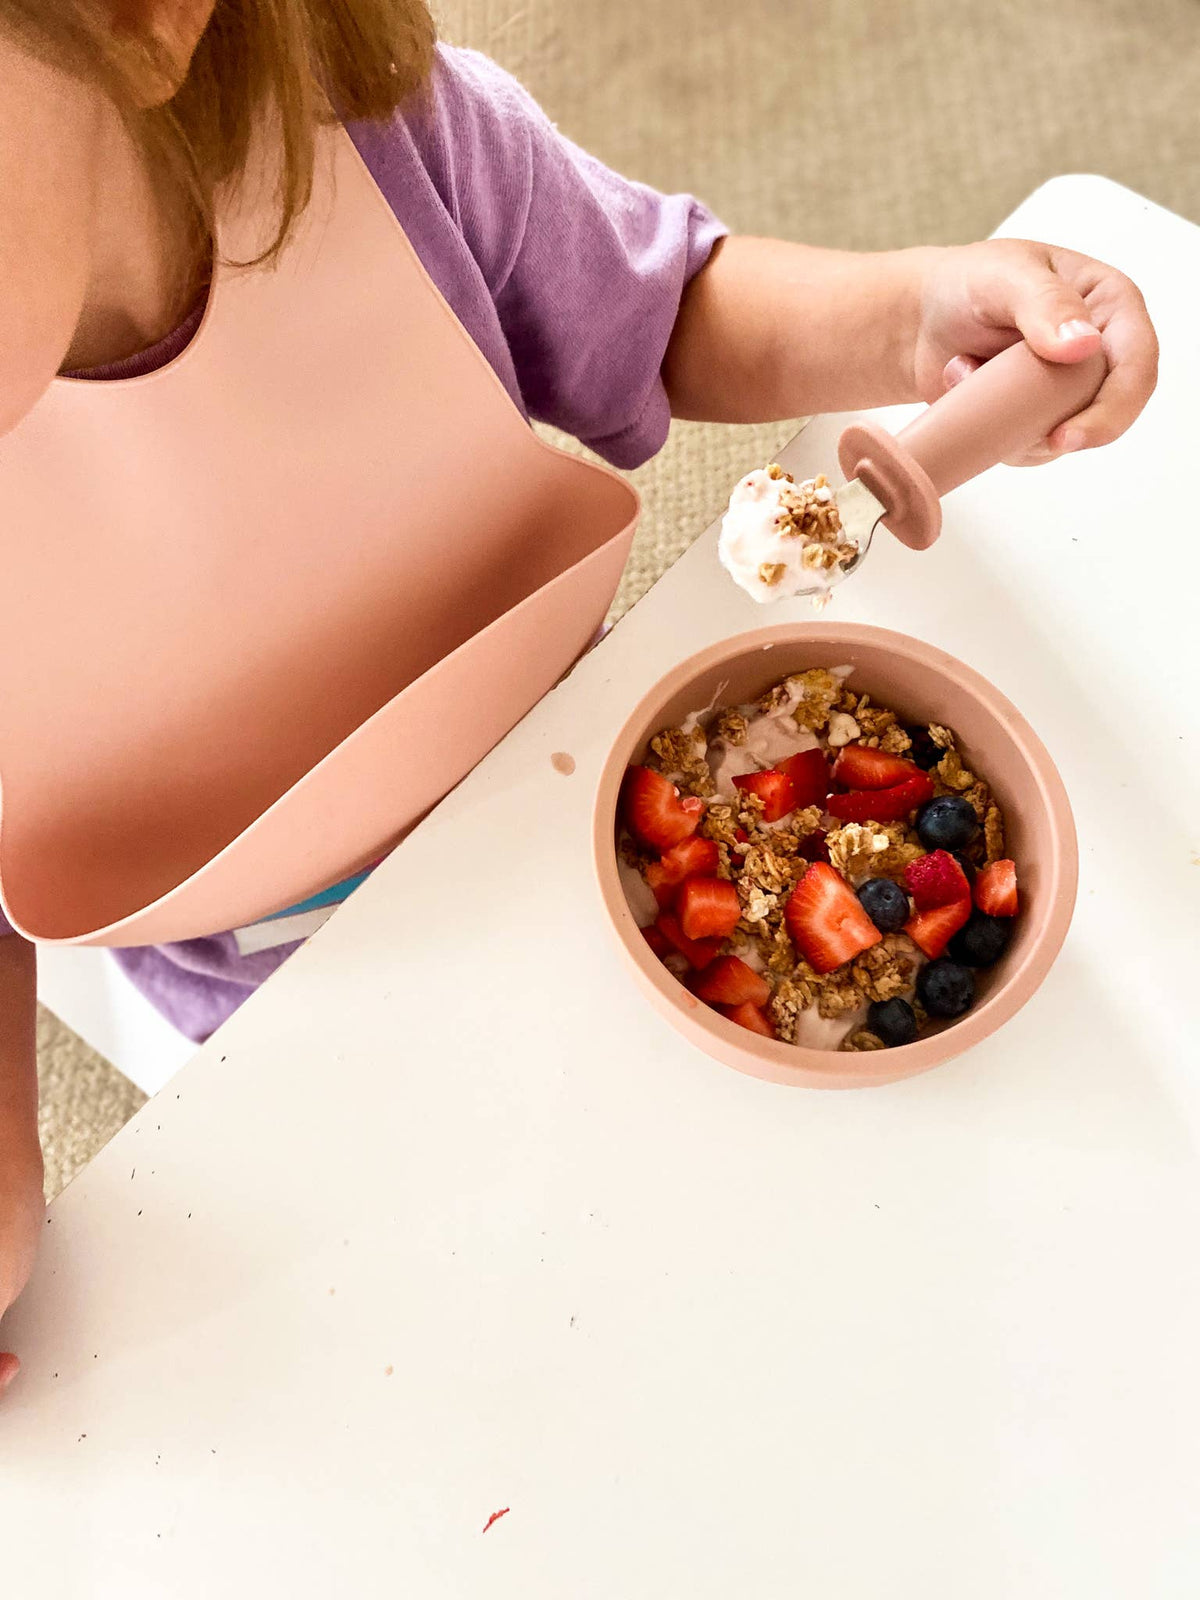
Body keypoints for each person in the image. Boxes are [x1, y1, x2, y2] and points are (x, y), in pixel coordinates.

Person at [0, 0, 1158, 1387]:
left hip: (646, 824)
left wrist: (913, 319)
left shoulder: (387, 149)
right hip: (304, 1023)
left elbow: (661, 313)